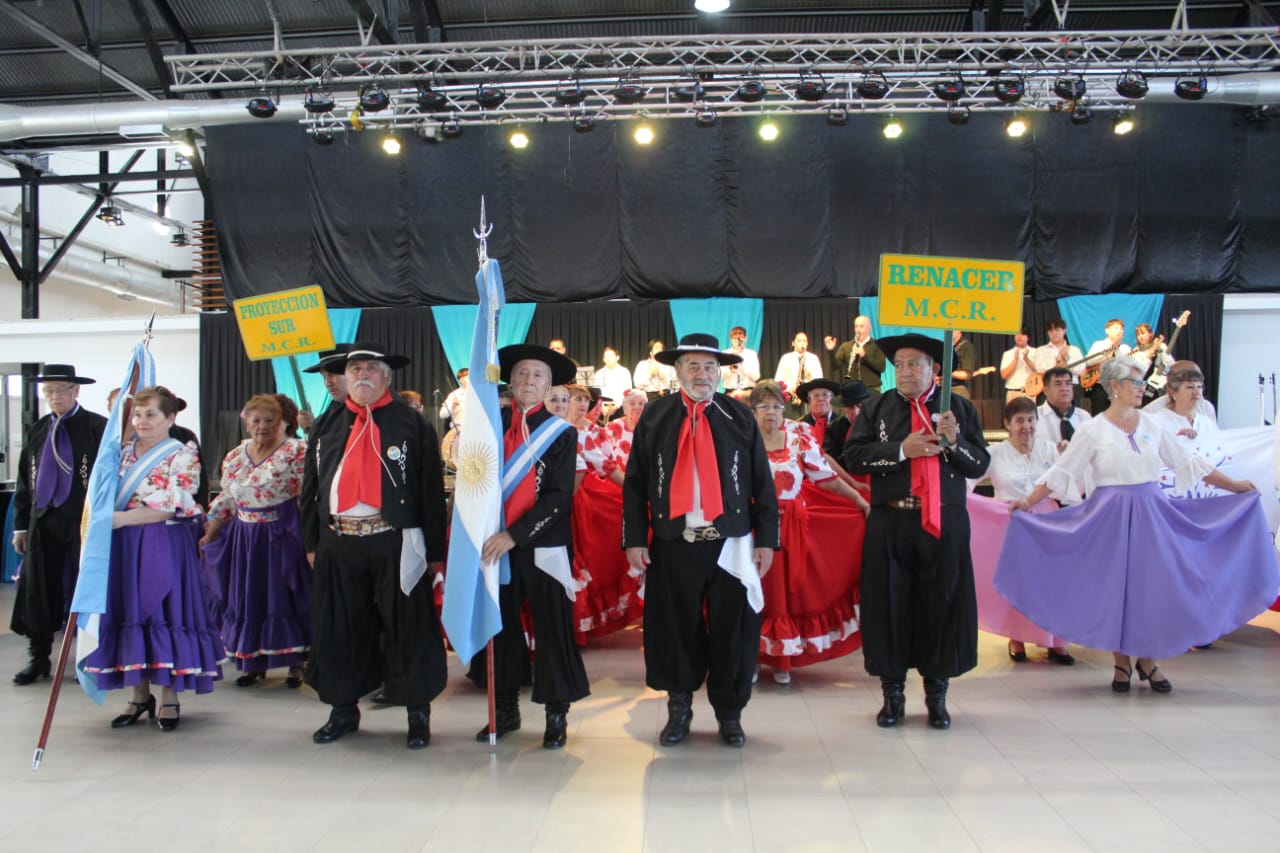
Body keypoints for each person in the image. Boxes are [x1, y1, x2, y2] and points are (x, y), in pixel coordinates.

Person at [997, 356, 1276, 695]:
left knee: (1151, 589)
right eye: (1136, 383)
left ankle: (1148, 659)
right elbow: (1062, 472)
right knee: (1119, 591)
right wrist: (1027, 502)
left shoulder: (1152, 424)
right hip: (1110, 517)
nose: (1143, 389)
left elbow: (1188, 462)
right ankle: (1121, 662)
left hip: (1151, 513)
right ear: (1115, 387)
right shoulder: (1093, 429)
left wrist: (1233, 486)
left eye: (1143, 383)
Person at [623, 333, 780, 748]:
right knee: (674, 630)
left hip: (731, 542)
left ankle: (730, 715)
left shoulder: (739, 417)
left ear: (721, 372)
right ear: (677, 371)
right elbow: (635, 483)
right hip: (674, 541)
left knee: (734, 631)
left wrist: (767, 539)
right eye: (693, 366)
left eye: (710, 366)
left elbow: (762, 483)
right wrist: (635, 538)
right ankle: (679, 712)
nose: (702, 374)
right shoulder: (655, 417)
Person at [300, 342, 448, 749]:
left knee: (408, 627)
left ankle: (417, 712)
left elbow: (431, 491)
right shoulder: (327, 424)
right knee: (338, 627)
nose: (361, 375)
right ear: (345, 378)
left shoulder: (411, 424)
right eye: (354, 369)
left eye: (370, 368)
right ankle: (342, 708)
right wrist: (312, 541)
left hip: (396, 541)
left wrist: (435, 553)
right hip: (339, 541)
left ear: (386, 376)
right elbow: (310, 487)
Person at [843, 333, 989, 730]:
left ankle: (937, 696)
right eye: (901, 365)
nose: (906, 371)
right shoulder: (877, 408)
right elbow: (853, 458)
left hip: (945, 521)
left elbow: (978, 465)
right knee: (888, 605)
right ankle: (893, 695)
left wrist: (954, 443)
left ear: (934, 370)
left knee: (940, 604)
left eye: (916, 364)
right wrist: (900, 451)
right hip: (892, 521)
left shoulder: (957, 408)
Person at [82, 386, 222, 731]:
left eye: (151, 414)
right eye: (137, 415)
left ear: (170, 418)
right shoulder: (119, 454)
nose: (142, 421)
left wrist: (117, 520)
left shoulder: (182, 454)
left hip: (162, 542)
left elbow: (168, 506)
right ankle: (137, 694)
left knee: (161, 609)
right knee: (129, 612)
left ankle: (169, 696)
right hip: (124, 546)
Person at [473, 344, 590, 749]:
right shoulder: (491, 426)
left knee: (552, 630)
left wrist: (515, 535)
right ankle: (505, 708)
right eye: (521, 374)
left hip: (543, 546)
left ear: (548, 384)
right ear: (510, 380)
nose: (528, 382)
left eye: (537, 375)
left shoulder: (561, 433)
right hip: (496, 547)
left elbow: (559, 497)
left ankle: (556, 714)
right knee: (501, 628)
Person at [751, 381, 867, 685]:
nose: (771, 413)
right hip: (752, 529)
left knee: (788, 596)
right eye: (764, 407)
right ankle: (752, 656)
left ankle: (781, 660)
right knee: (753, 592)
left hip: (792, 529)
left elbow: (825, 477)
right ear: (753, 411)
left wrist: (857, 499)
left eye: (777, 406)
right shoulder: (741, 439)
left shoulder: (798, 436)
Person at [200, 394, 311, 688]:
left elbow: (306, 497)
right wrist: (211, 530)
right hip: (244, 538)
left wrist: (310, 539)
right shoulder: (236, 455)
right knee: (249, 598)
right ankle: (252, 661)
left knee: (284, 595)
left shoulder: (296, 451)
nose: (262, 426)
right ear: (246, 422)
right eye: (256, 420)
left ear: (282, 422)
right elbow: (227, 498)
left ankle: (296, 662)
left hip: (281, 535)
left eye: (269, 420)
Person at [10, 364, 108, 685]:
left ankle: (89, 657)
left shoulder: (97, 427)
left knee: (85, 587)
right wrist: (21, 526)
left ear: (76, 390)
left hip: (82, 521)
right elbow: (26, 481)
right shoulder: (37, 429)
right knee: (38, 588)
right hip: (44, 519)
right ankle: (38, 657)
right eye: (49, 391)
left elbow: (107, 479)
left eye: (61, 389)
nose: (55, 396)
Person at [968, 397, 1079, 666]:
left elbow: (1068, 484)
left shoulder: (1050, 449)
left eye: (1030, 420)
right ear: (1007, 424)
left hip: (1047, 523)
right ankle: (1016, 637)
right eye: (1019, 421)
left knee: (1053, 583)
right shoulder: (994, 453)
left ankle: (1056, 641)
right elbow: (967, 483)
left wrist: (1066, 456)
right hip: (1011, 525)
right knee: (1016, 582)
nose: (1026, 426)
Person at [1149, 364, 1218, 446]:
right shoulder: (1158, 420)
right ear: (1173, 392)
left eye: (1199, 387)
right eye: (1190, 387)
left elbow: (1219, 450)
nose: (1196, 392)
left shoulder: (1207, 423)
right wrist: (1180, 439)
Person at [297, 344, 352, 435]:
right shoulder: (329, 414)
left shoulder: (368, 412)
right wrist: (312, 428)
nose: (328, 383)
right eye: (324, 377)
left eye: (332, 374)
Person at [1036, 367, 1092, 452]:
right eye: (1058, 384)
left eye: (1068, 383)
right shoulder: (1035, 417)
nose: (1064, 388)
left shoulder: (1084, 417)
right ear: (1046, 390)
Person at [824, 315, 885, 393]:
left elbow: (881, 367)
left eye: (861, 326)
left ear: (869, 328)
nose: (858, 330)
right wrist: (830, 351)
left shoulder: (877, 345)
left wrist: (864, 356)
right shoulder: (846, 346)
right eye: (856, 326)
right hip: (852, 389)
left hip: (872, 389)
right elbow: (835, 366)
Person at [1083, 319, 1131, 414]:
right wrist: (1107, 353)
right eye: (1116, 328)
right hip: (1101, 388)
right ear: (1107, 330)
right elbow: (1088, 362)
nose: (1119, 331)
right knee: (1100, 416)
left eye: (1121, 329)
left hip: (1119, 389)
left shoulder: (1125, 348)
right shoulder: (1099, 345)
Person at [1032, 319, 1084, 405]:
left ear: (1064, 330)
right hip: (1049, 388)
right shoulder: (1041, 350)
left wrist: (1066, 360)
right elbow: (1039, 368)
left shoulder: (1074, 350)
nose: (1054, 333)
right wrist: (1057, 361)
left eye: (1057, 329)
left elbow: (1079, 370)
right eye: (1051, 330)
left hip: (1071, 387)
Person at [774, 332, 823, 418]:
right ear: (793, 343)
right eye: (799, 340)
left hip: (808, 397)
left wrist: (808, 383)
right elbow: (778, 379)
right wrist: (790, 389)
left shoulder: (813, 358)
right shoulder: (786, 358)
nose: (802, 343)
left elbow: (819, 379)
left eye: (804, 341)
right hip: (790, 397)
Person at [823, 381, 870, 460]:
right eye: (851, 407)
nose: (856, 412)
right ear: (844, 408)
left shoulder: (878, 422)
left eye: (860, 406)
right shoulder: (835, 427)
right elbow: (828, 458)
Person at [1131, 322, 1173, 400]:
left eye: (1143, 333)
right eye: (1138, 334)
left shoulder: (1161, 346)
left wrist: (1160, 350)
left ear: (1150, 334)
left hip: (1158, 383)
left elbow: (1170, 363)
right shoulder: (1135, 351)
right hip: (1141, 383)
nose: (1140, 336)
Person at [796, 378, 841, 448]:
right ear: (809, 400)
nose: (821, 399)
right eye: (816, 395)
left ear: (832, 399)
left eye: (825, 395)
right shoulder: (798, 426)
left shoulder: (843, 424)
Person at [1000, 329, 1036, 404]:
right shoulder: (1008, 353)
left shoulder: (1035, 352)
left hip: (1031, 392)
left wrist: (1026, 359)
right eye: (1017, 334)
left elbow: (1039, 371)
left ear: (1028, 338)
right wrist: (1015, 360)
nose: (1019, 337)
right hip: (1013, 392)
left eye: (1023, 334)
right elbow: (1004, 375)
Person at [721, 326, 761, 393]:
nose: (738, 340)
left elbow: (756, 376)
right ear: (731, 340)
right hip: (730, 390)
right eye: (735, 338)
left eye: (741, 337)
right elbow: (721, 376)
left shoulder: (752, 354)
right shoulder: (725, 353)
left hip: (748, 390)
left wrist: (742, 362)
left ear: (745, 339)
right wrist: (730, 364)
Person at [950, 330, 978, 400]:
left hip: (957, 389)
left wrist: (947, 373)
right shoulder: (945, 345)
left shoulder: (966, 346)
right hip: (939, 388)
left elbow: (967, 375)